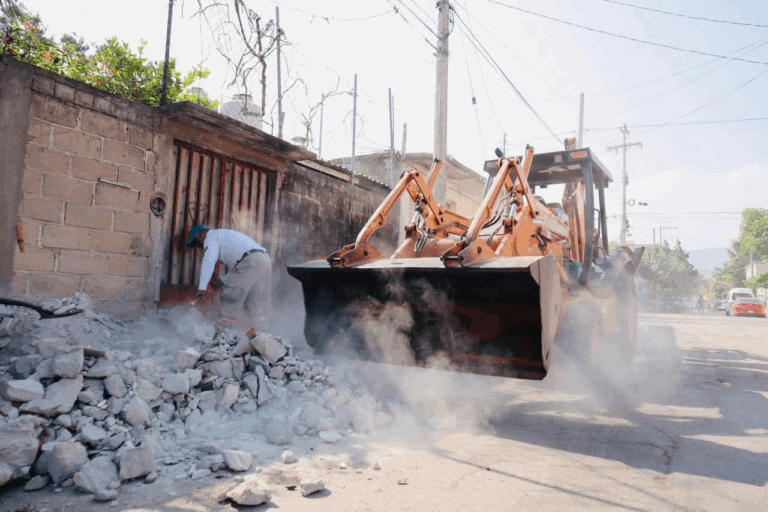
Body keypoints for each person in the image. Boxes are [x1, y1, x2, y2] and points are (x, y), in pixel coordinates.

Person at [186, 224, 271, 337]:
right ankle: (264, 335)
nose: (199, 247)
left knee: (230, 297)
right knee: (253, 302)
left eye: (197, 243)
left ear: (203, 234)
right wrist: (222, 280)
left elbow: (209, 261)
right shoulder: (223, 235)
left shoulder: (211, 238)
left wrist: (202, 287)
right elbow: (240, 269)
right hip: (264, 260)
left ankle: (220, 336)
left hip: (251, 261)